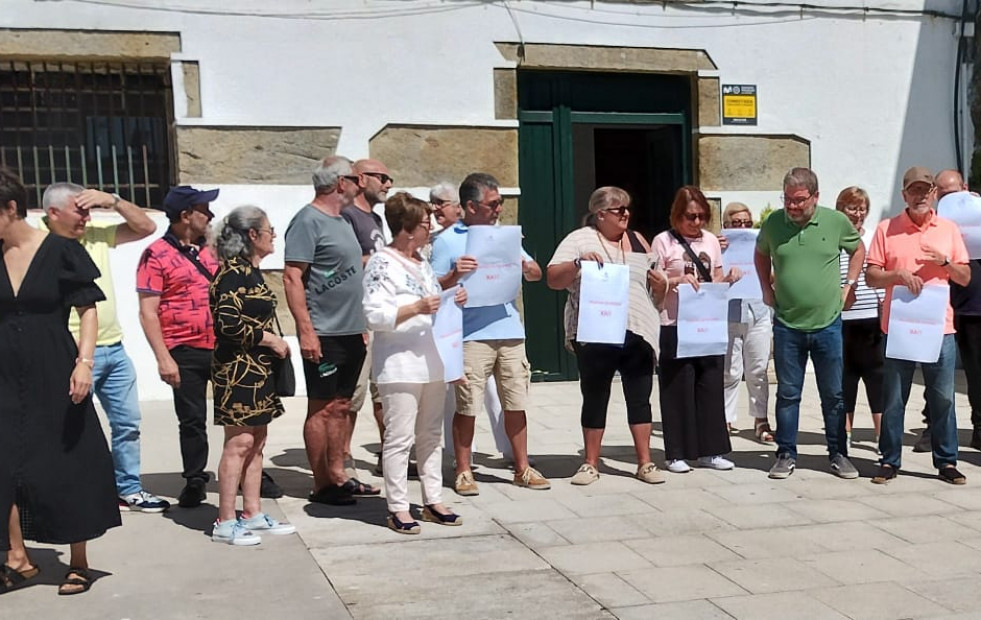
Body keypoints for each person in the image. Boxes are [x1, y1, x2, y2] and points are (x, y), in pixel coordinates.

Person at [0, 167, 120, 596]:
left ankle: (79, 561)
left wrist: (84, 363)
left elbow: (87, 308)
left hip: (55, 364)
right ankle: (18, 556)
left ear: (12, 208)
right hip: (5, 373)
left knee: (69, 458)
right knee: (5, 460)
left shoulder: (60, 250)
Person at [40, 183, 170, 513]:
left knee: (127, 423)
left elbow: (147, 226)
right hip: (70, 354)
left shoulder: (95, 233)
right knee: (67, 430)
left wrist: (112, 201)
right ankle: (66, 495)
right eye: (79, 210)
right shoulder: (35, 242)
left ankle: (127, 489)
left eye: (87, 209)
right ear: (53, 213)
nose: (86, 216)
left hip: (113, 346)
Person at [431, 172, 551, 495]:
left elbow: (537, 274)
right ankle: (464, 470)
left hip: (510, 329)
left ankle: (522, 467)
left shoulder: (505, 236)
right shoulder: (447, 240)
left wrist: (529, 267)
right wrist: (455, 274)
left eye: (500, 203)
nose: (499, 209)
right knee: (466, 404)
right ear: (471, 206)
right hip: (470, 333)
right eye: (493, 204)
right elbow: (431, 287)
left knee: (515, 401)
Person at [547, 186, 667, 485]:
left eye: (628, 209)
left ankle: (645, 462)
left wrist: (661, 285)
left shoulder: (638, 240)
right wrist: (577, 264)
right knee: (595, 394)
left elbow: (655, 286)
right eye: (619, 210)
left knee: (640, 397)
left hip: (637, 328)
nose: (626, 214)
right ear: (600, 214)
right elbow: (553, 279)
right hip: (596, 329)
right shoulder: (580, 239)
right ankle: (590, 463)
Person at [363, 192, 466, 533]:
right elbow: (374, 314)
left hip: (432, 361)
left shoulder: (422, 262)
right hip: (400, 363)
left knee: (431, 435)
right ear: (407, 229)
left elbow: (436, 302)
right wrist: (416, 308)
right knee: (400, 437)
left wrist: (453, 296)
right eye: (425, 224)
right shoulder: (382, 263)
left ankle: (433, 498)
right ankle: (397, 506)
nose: (431, 228)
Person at [755, 167, 864, 480]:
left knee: (833, 394)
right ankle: (786, 453)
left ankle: (838, 454)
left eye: (800, 200)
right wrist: (766, 287)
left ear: (816, 197)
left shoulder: (835, 221)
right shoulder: (774, 223)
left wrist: (849, 285)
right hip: (788, 323)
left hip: (828, 323)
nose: (792, 206)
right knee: (788, 393)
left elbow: (858, 249)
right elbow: (761, 254)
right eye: (788, 199)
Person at [866, 166, 970, 485]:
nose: (920, 195)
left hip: (940, 329)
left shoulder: (949, 229)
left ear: (934, 193)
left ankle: (947, 461)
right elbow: (871, 276)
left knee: (943, 398)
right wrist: (896, 276)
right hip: (898, 327)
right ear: (904, 195)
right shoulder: (887, 228)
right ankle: (889, 460)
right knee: (895, 398)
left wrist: (943, 262)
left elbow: (964, 277)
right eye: (914, 190)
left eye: (926, 190)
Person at [283, 156, 378, 506]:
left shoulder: (342, 221)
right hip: (324, 332)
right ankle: (322, 484)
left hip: (352, 331)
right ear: (341, 183)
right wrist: (306, 331)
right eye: (356, 177)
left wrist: (360, 324)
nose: (360, 183)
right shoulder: (308, 221)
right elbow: (292, 276)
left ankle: (338, 474)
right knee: (321, 407)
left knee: (341, 405)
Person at [209, 206, 296, 545]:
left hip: (259, 370)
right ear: (251, 235)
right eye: (269, 229)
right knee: (239, 442)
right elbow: (227, 324)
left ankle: (252, 512)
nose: (273, 234)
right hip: (237, 371)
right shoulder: (231, 274)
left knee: (257, 441)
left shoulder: (251, 272)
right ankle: (225, 520)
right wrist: (270, 339)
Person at [653, 186, 741, 473]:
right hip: (675, 322)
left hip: (707, 322)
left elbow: (714, 276)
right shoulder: (663, 242)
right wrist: (676, 278)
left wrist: (728, 278)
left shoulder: (711, 242)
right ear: (677, 215)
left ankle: (712, 450)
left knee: (710, 384)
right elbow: (652, 279)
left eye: (702, 216)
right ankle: (676, 452)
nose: (697, 222)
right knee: (677, 387)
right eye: (691, 216)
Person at [916, 169, 981, 453]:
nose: (948, 198)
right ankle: (934, 428)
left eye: (953, 192)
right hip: (939, 303)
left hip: (975, 304)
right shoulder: (933, 220)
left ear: (964, 188)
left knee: (977, 373)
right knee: (935, 368)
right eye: (942, 194)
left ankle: (979, 428)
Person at [343, 159, 392, 477]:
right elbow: (345, 261)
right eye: (382, 177)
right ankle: (342, 457)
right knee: (352, 395)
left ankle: (389, 453)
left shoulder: (374, 217)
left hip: (379, 315)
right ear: (361, 179)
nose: (388, 183)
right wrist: (380, 258)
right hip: (357, 318)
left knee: (382, 391)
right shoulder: (349, 216)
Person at [718, 202, 773, 443]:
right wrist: (715, 249)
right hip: (729, 311)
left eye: (746, 223)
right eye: (736, 223)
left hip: (758, 309)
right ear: (726, 225)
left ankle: (760, 419)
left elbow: (772, 275)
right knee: (730, 370)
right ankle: (725, 418)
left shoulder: (761, 243)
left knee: (758, 369)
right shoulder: (717, 245)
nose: (742, 227)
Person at [835, 187, 883, 451]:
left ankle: (881, 435)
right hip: (842, 317)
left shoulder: (874, 237)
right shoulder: (833, 239)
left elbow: (880, 272)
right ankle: (845, 434)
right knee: (845, 378)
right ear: (841, 209)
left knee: (877, 376)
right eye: (852, 207)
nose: (858, 213)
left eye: (862, 208)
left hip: (871, 316)